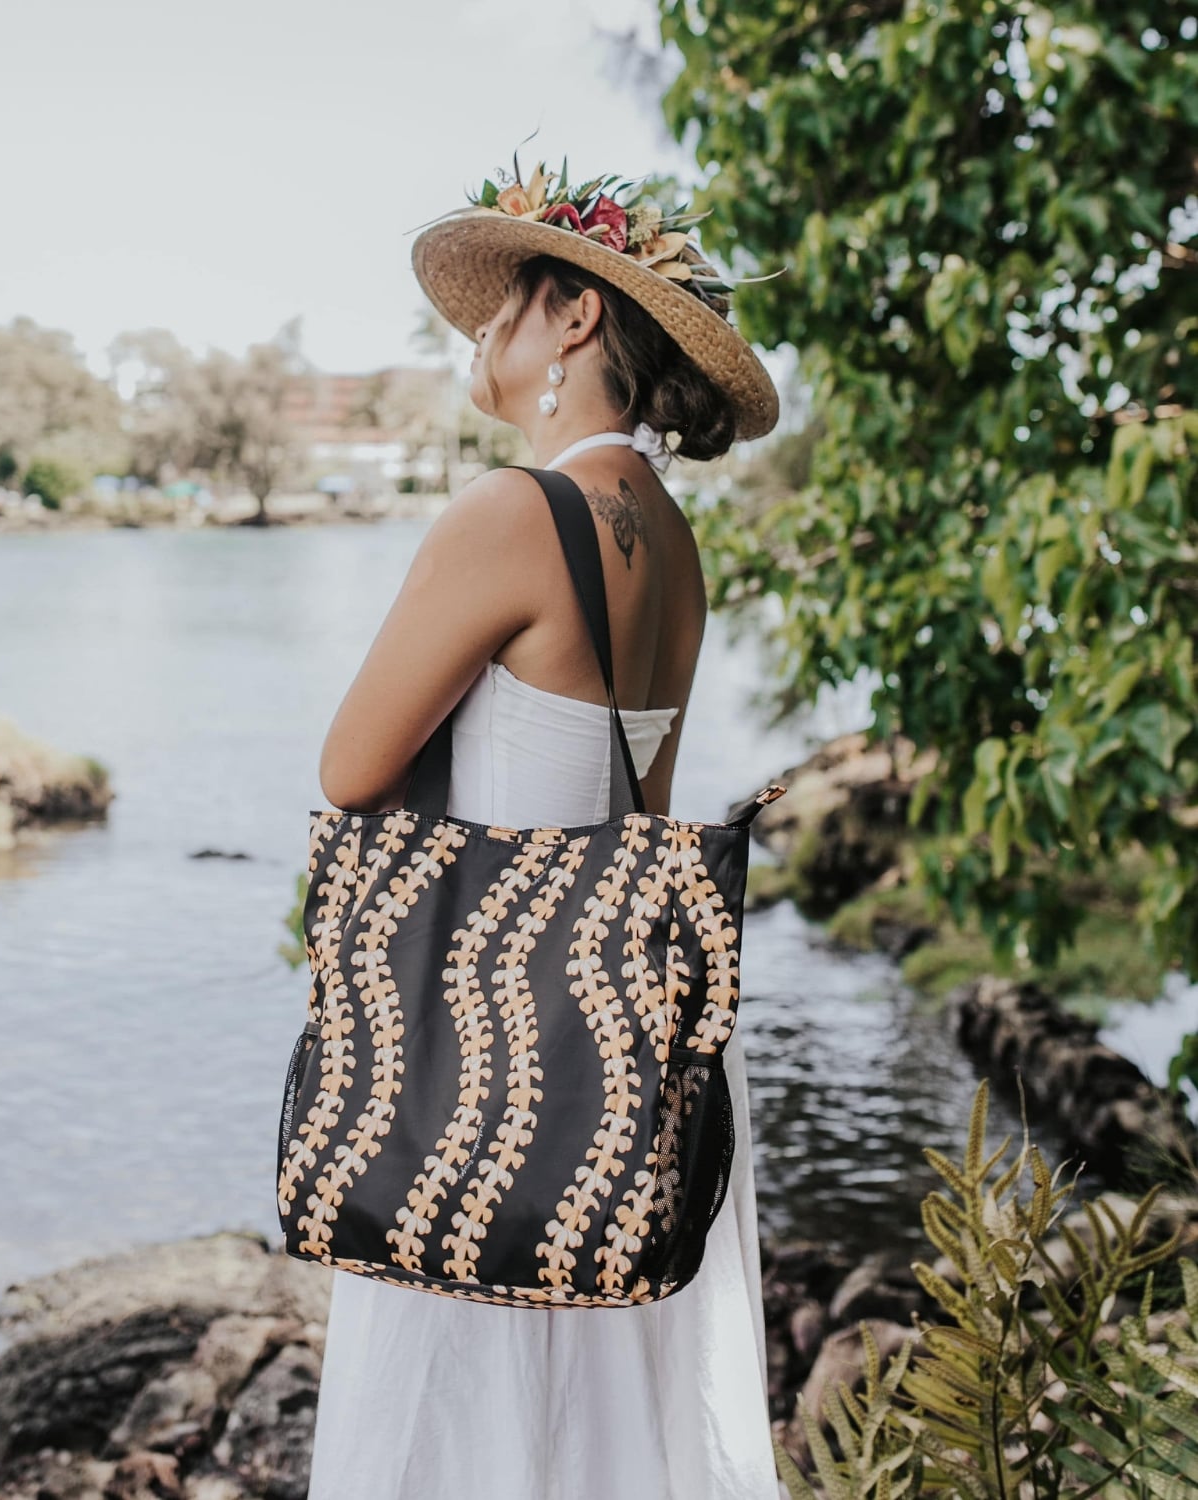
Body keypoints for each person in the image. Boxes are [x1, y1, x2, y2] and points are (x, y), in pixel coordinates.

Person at [304, 163, 783, 1500]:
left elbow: (351, 770)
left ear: (576, 316)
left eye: (504, 302)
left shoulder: (511, 512)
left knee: (465, 1423)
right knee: (612, 1432)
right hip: (621, 1046)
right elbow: (646, 817)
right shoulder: (671, 541)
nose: (479, 331)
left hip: (487, 1052)